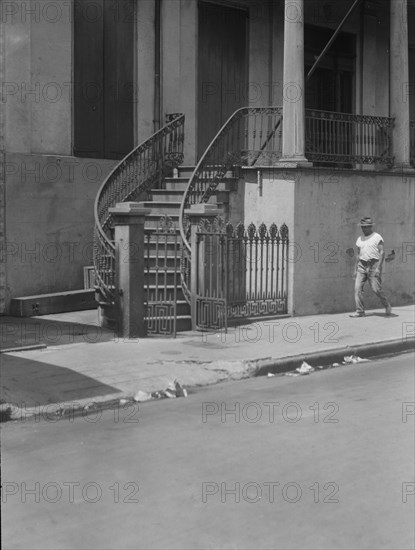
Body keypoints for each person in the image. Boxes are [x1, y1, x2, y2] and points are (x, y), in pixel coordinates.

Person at [350, 216, 392, 318]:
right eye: (362, 227)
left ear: (370, 227)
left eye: (366, 226)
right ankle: (360, 311)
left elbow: (382, 252)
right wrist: (355, 269)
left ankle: (387, 305)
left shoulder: (377, 237)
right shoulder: (359, 239)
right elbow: (358, 255)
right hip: (362, 266)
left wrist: (378, 267)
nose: (364, 228)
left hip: (374, 265)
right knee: (357, 289)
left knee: (376, 289)